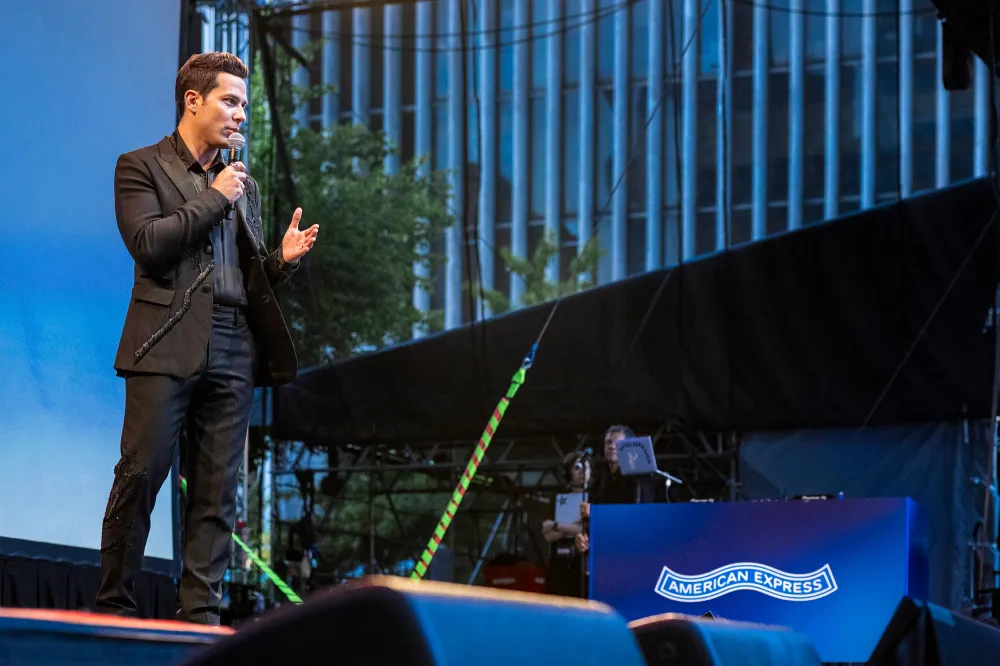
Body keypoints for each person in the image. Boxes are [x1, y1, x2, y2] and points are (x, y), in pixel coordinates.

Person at [95, 52, 319, 625]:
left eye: (244, 104)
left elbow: (241, 277)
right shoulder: (140, 166)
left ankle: (200, 618)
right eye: (230, 101)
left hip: (234, 340)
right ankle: (114, 607)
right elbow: (149, 243)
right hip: (165, 341)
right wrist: (217, 196)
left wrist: (279, 263)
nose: (240, 115)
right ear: (193, 101)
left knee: (218, 494)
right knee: (141, 475)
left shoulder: (242, 182)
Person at [575, 425, 665, 555]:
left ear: (630, 447)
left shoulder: (640, 480)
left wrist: (597, 513)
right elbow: (590, 525)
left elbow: (638, 517)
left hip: (632, 552)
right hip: (605, 554)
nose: (612, 446)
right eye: (608, 442)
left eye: (617, 442)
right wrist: (583, 540)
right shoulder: (598, 483)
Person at [541, 451, 589, 597]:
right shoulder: (558, 498)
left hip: (582, 562)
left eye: (584, 468)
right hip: (559, 563)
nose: (581, 472)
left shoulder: (595, 497)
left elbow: (584, 529)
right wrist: (570, 527)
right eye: (576, 468)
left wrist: (557, 525)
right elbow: (547, 534)